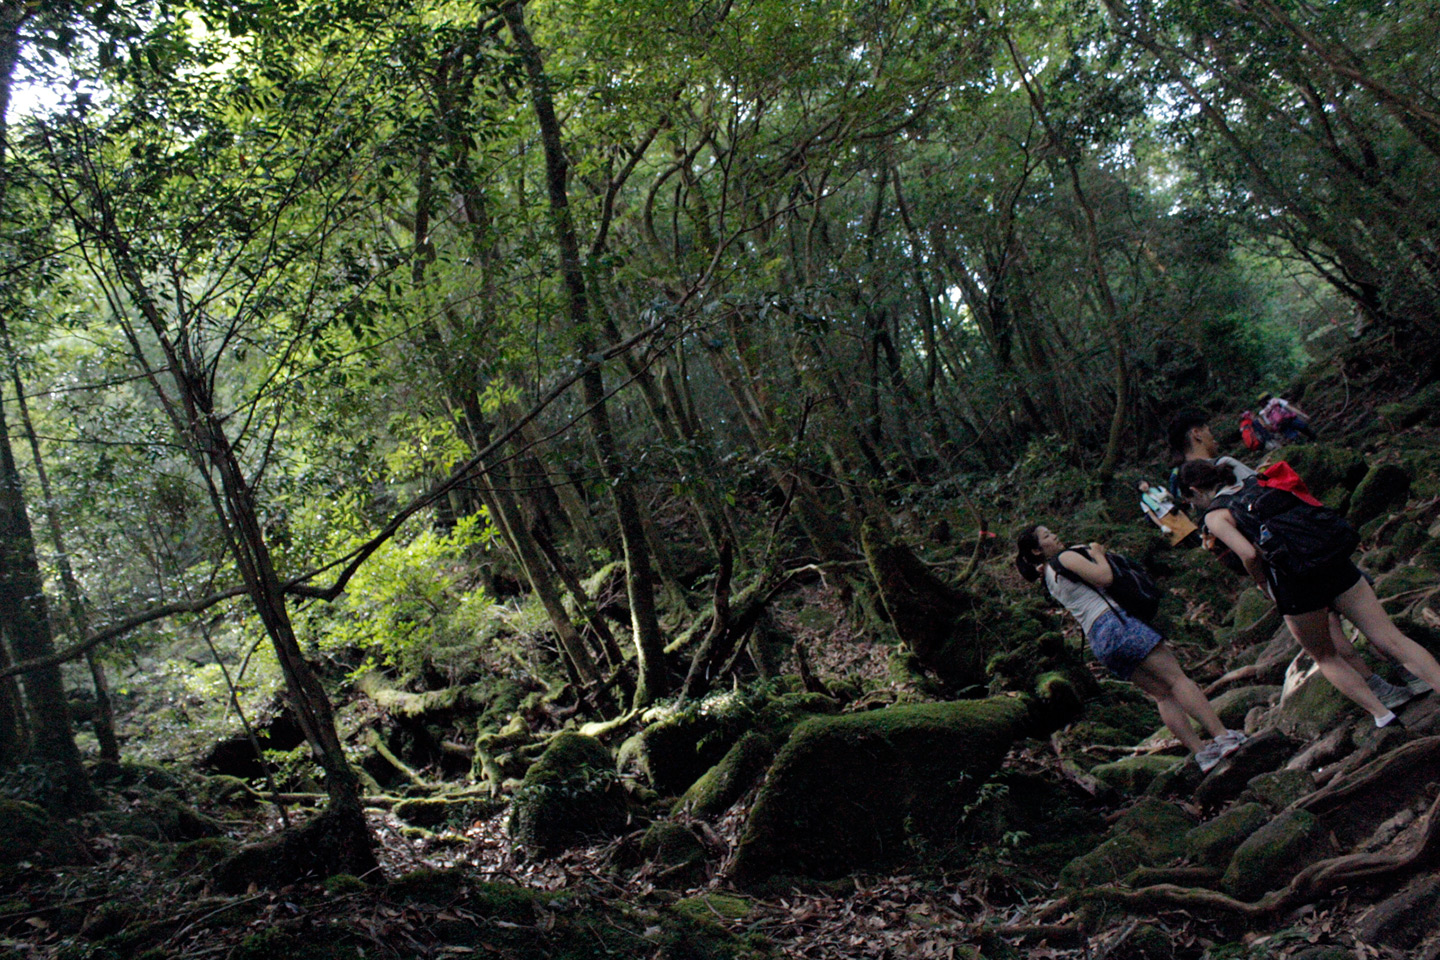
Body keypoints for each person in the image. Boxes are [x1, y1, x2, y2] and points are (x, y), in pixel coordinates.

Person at [1167, 411, 1424, 705]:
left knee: (1328, 633)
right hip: (1301, 551)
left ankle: (1379, 692)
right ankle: (1406, 674)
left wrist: (1262, 583)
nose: (1213, 436)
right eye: (1208, 429)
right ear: (1196, 433)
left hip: (1277, 569)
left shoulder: (1181, 483)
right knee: (1358, 618)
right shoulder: (1223, 468)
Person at [1016, 525, 1247, 772]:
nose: (1055, 535)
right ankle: (1223, 737)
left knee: (1162, 694)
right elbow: (1104, 577)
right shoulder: (1064, 558)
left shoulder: (1048, 579)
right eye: (1047, 536)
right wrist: (1098, 553)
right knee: (1178, 680)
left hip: (1100, 641)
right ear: (1037, 550)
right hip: (1117, 623)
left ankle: (1202, 754)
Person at [1139, 480, 1198, 546]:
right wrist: (1162, 526)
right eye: (1140, 485)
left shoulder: (1158, 488)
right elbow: (1152, 515)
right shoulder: (1143, 501)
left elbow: (1172, 498)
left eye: (1143, 483)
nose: (1143, 486)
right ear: (1139, 489)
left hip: (1173, 511)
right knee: (1180, 536)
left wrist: (1166, 495)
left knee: (1190, 529)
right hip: (1164, 517)